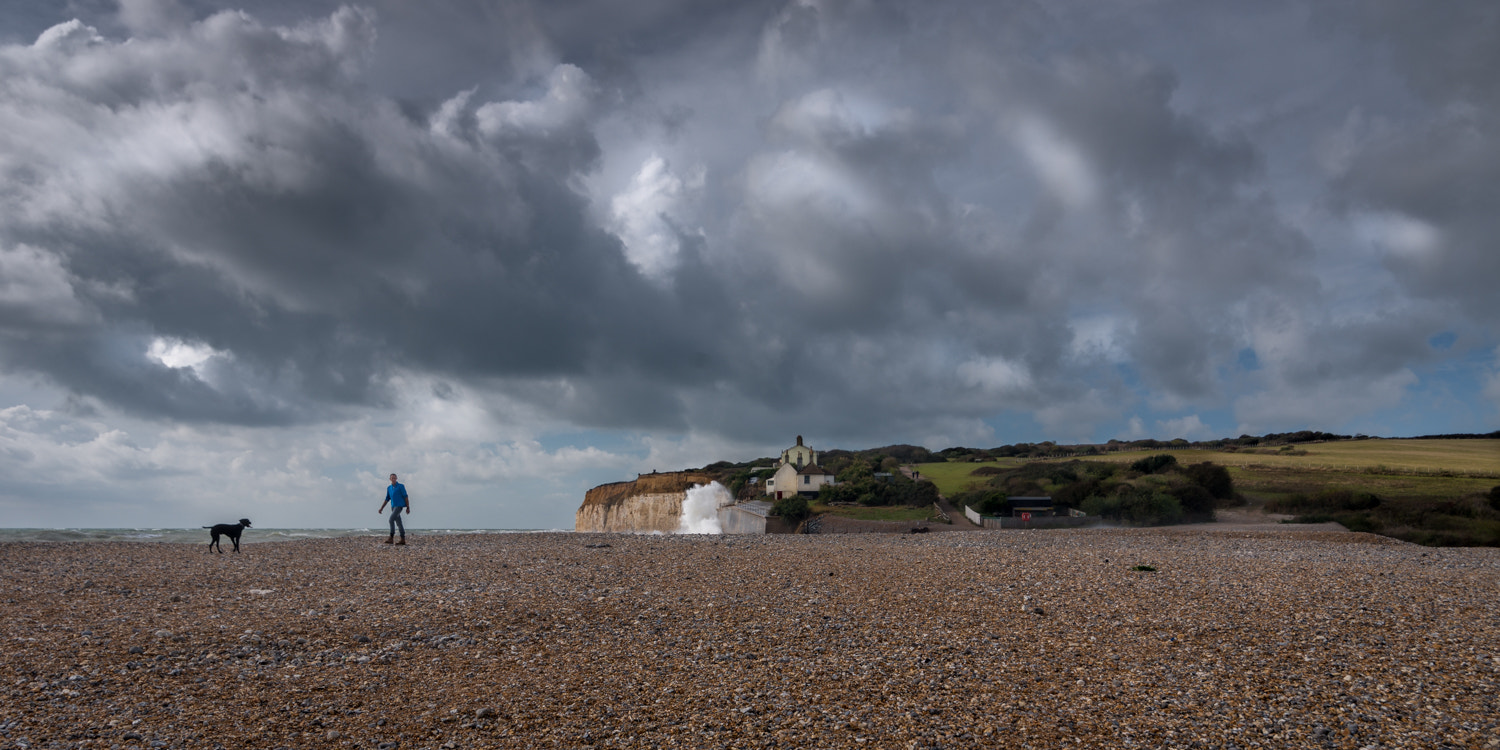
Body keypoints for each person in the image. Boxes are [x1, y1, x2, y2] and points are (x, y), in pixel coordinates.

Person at [378, 473, 411, 545]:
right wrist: (381, 508)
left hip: (399, 506)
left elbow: (406, 496)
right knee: (399, 523)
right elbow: (387, 499)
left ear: (396, 479)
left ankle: (391, 537)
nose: (393, 479)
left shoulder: (401, 486)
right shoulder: (389, 488)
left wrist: (408, 507)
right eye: (392, 478)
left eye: (394, 478)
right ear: (390, 479)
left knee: (391, 519)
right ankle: (402, 539)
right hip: (393, 507)